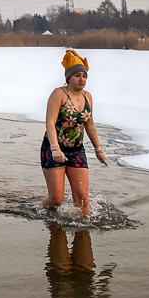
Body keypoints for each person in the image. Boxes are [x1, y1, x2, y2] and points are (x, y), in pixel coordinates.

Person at [41, 50, 108, 218]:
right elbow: (50, 122)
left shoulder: (88, 97)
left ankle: (83, 232)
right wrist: (55, 149)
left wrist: (98, 149)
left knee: (83, 199)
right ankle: (45, 215)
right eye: (77, 75)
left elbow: (89, 124)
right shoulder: (59, 94)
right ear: (68, 78)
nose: (82, 79)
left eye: (84, 76)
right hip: (54, 148)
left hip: (77, 149)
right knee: (56, 200)